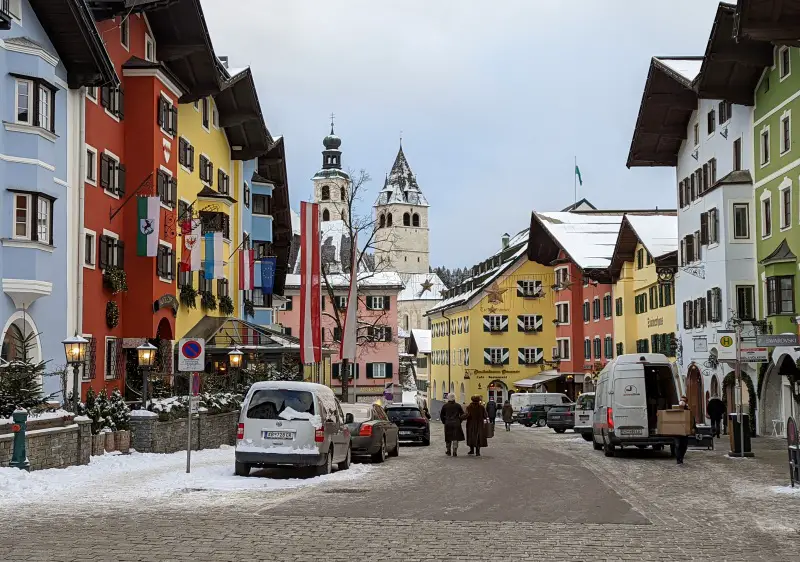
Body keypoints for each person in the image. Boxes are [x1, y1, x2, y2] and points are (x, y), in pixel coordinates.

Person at [675, 395, 691, 465]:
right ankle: (678, 459)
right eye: (681, 400)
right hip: (677, 431)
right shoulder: (676, 409)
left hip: (685, 431)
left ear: (686, 402)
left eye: (683, 401)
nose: (682, 402)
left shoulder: (688, 410)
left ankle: (681, 457)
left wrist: (693, 428)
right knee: (678, 445)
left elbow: (691, 420)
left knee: (684, 446)